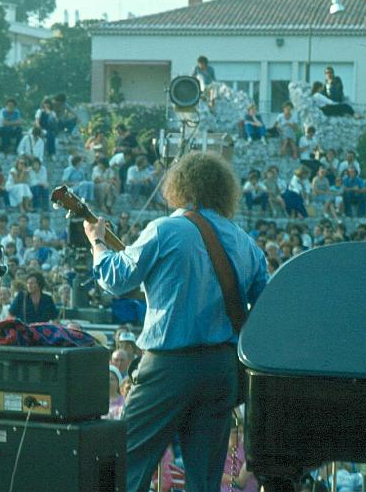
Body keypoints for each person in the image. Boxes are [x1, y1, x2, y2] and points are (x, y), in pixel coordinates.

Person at [83, 151, 268, 492]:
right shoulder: (247, 244)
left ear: (179, 187)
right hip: (220, 370)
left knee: (129, 464)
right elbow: (265, 309)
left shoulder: (165, 230)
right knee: (206, 479)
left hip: (169, 367)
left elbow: (116, 278)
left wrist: (96, 241)